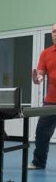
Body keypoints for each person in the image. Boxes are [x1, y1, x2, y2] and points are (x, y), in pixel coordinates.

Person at [29, 23, 56, 169]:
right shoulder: (46, 53)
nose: (55, 34)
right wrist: (37, 79)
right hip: (51, 101)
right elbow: (40, 75)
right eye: (53, 31)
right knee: (41, 134)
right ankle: (38, 162)